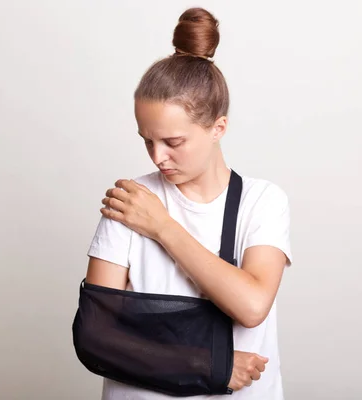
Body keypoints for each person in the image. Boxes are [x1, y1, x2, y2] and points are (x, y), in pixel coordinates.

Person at [84, 7, 292, 400]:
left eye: (173, 142)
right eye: (147, 139)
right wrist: (210, 366)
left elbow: (250, 306)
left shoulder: (262, 202)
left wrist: (162, 227)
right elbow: (96, 338)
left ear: (218, 128)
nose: (157, 157)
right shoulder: (130, 201)